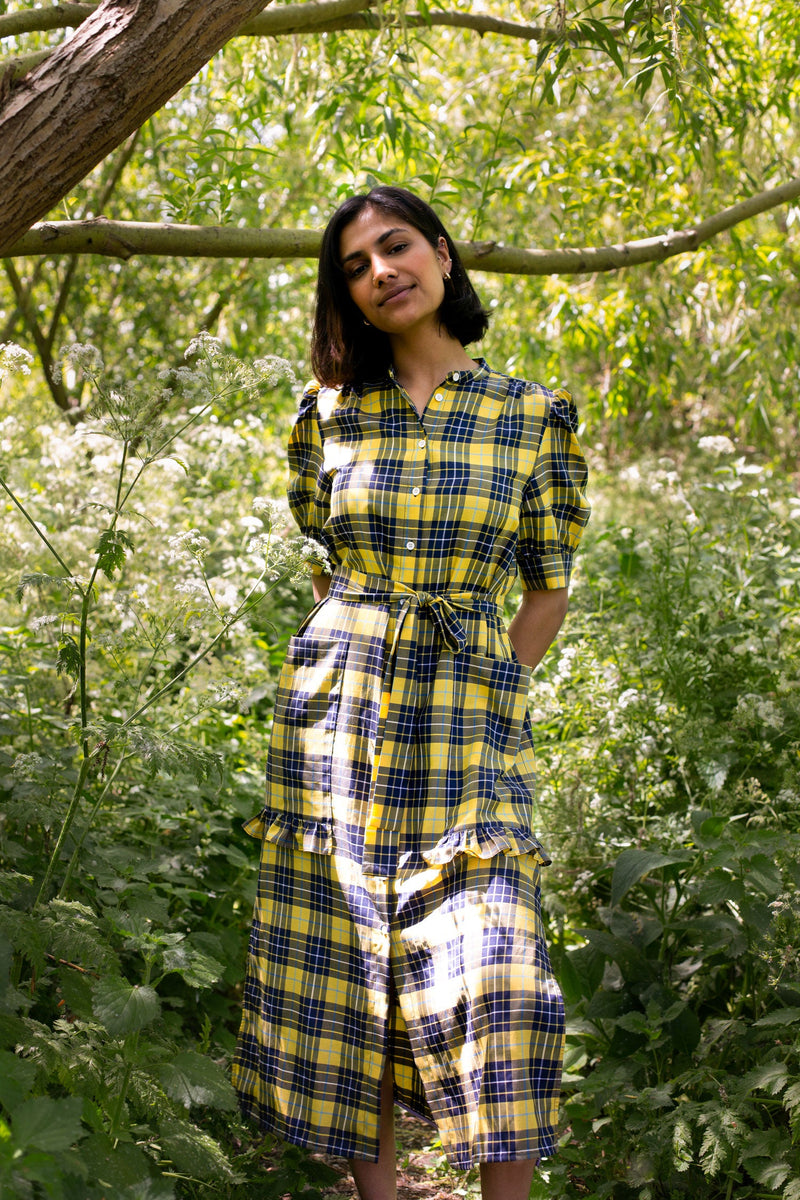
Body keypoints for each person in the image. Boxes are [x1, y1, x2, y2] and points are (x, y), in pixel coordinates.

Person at [232, 186, 591, 1200]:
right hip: (336, 724)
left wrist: (490, 687)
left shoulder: (529, 416)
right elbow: (328, 565)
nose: (380, 271)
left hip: (467, 733)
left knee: (500, 976)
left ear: (439, 255)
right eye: (354, 265)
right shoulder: (327, 416)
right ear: (344, 294)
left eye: (394, 248)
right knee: (344, 972)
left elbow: (545, 587)